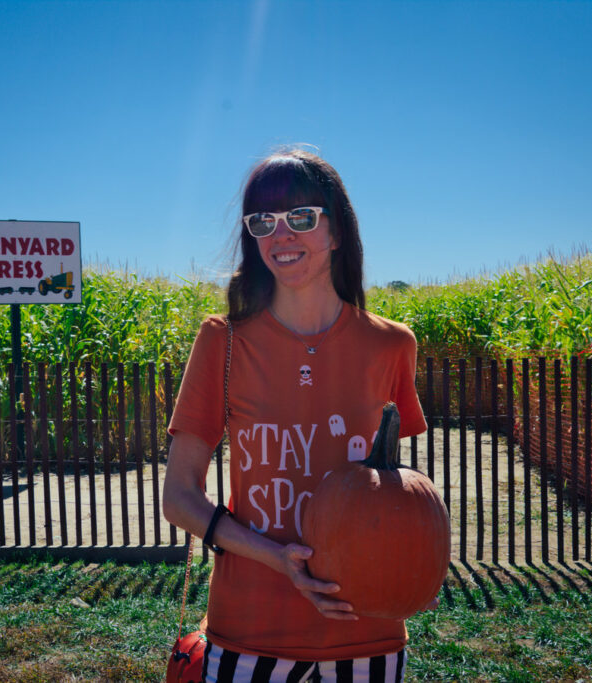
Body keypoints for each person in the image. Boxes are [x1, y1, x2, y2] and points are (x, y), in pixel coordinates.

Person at [162, 148, 429, 682]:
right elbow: (179, 497)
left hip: (366, 631)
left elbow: (397, 491)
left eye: (301, 217)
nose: (280, 235)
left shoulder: (392, 346)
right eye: (263, 221)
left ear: (336, 233)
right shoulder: (224, 341)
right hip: (249, 632)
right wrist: (274, 556)